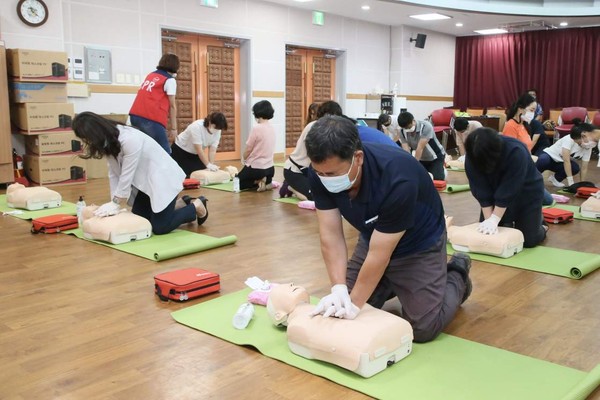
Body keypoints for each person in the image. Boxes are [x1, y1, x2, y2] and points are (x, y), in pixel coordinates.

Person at [305, 115, 472, 343]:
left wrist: (354, 304)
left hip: (418, 243)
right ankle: (390, 282)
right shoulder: (321, 171)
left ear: (358, 158)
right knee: (343, 304)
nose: (325, 179)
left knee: (423, 328)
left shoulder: (397, 176)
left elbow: (379, 254)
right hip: (374, 235)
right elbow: (330, 236)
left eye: (332, 174)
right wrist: (338, 289)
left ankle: (456, 274)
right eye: (320, 173)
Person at [72, 112, 208, 234]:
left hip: (163, 179)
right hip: (146, 183)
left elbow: (127, 173)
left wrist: (117, 202)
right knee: (142, 221)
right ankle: (181, 204)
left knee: (160, 227)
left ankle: (196, 206)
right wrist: (113, 204)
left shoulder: (129, 139)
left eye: (86, 138)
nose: (86, 143)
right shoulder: (108, 142)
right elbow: (113, 174)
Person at [266, 283, 413, 378]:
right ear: (279, 315)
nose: (291, 284)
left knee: (360, 307)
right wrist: (339, 289)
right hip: (373, 344)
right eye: (284, 288)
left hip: (381, 340)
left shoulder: (324, 305)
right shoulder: (297, 325)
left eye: (290, 284)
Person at [464, 127, 547, 248]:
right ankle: (505, 221)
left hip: (527, 191)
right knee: (486, 236)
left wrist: (495, 219)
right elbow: (480, 188)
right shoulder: (472, 154)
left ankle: (541, 224)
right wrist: (489, 221)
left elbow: (510, 188)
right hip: (494, 192)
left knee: (528, 240)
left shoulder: (516, 150)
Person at [129, 53, 180, 153]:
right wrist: (174, 128)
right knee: (164, 152)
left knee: (145, 150)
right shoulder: (169, 80)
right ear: (176, 66)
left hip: (134, 117)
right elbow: (172, 106)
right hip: (151, 119)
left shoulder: (151, 75)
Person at [535, 121, 600, 187]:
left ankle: (555, 179)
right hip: (549, 157)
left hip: (560, 162)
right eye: (578, 143)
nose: (579, 145)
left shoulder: (588, 146)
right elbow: (567, 161)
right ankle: (533, 177)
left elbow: (584, 167)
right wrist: (571, 182)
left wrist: (582, 184)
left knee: (575, 168)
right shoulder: (569, 139)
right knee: (543, 159)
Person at [170, 113, 228, 177]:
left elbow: (212, 150)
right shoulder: (197, 126)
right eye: (215, 127)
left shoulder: (218, 130)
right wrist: (208, 165)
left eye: (219, 129)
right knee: (184, 175)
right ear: (209, 122)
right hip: (180, 150)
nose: (217, 130)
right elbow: (199, 150)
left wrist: (211, 165)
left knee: (202, 174)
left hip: (194, 154)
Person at [238, 100, 276, 191]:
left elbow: (248, 149)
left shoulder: (256, 128)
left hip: (257, 167)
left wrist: (244, 158)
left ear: (257, 113)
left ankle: (258, 181)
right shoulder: (272, 127)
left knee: (237, 182)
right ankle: (267, 181)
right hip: (270, 168)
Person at [396, 111, 447, 180]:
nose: (407, 129)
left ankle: (442, 170)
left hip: (436, 156)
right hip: (421, 158)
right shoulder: (402, 131)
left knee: (437, 179)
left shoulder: (426, 126)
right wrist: (409, 163)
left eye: (409, 127)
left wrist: (415, 164)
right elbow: (406, 149)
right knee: (418, 178)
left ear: (413, 121)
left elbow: (420, 148)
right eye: (405, 128)